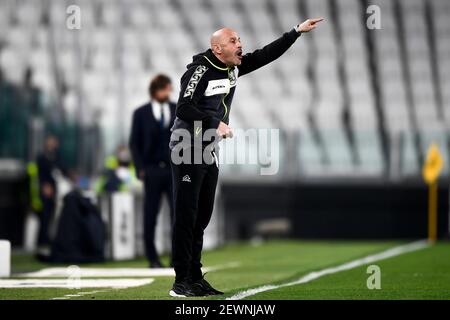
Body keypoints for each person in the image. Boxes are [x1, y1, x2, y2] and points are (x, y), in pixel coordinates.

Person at [169, 18, 324, 297]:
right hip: (186, 145)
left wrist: (296, 32)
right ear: (217, 48)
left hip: (207, 147)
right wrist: (214, 123)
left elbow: (265, 55)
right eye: (233, 41)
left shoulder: (233, 68)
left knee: (202, 216)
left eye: (239, 40)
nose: (240, 44)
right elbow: (183, 108)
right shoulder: (200, 70)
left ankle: (195, 276)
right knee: (186, 215)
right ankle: (181, 281)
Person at [129, 74, 176, 268]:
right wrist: (140, 168)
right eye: (167, 88)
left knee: (178, 215)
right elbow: (134, 143)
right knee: (150, 216)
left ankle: (177, 257)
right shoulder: (140, 113)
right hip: (152, 171)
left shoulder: (177, 109)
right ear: (157, 90)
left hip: (175, 170)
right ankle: (152, 258)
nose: (170, 92)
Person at [36, 135, 60, 247]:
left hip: (54, 189)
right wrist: (45, 186)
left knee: (50, 215)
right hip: (45, 190)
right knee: (44, 216)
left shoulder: (55, 157)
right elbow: (41, 174)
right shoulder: (42, 157)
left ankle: (47, 238)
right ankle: (42, 240)